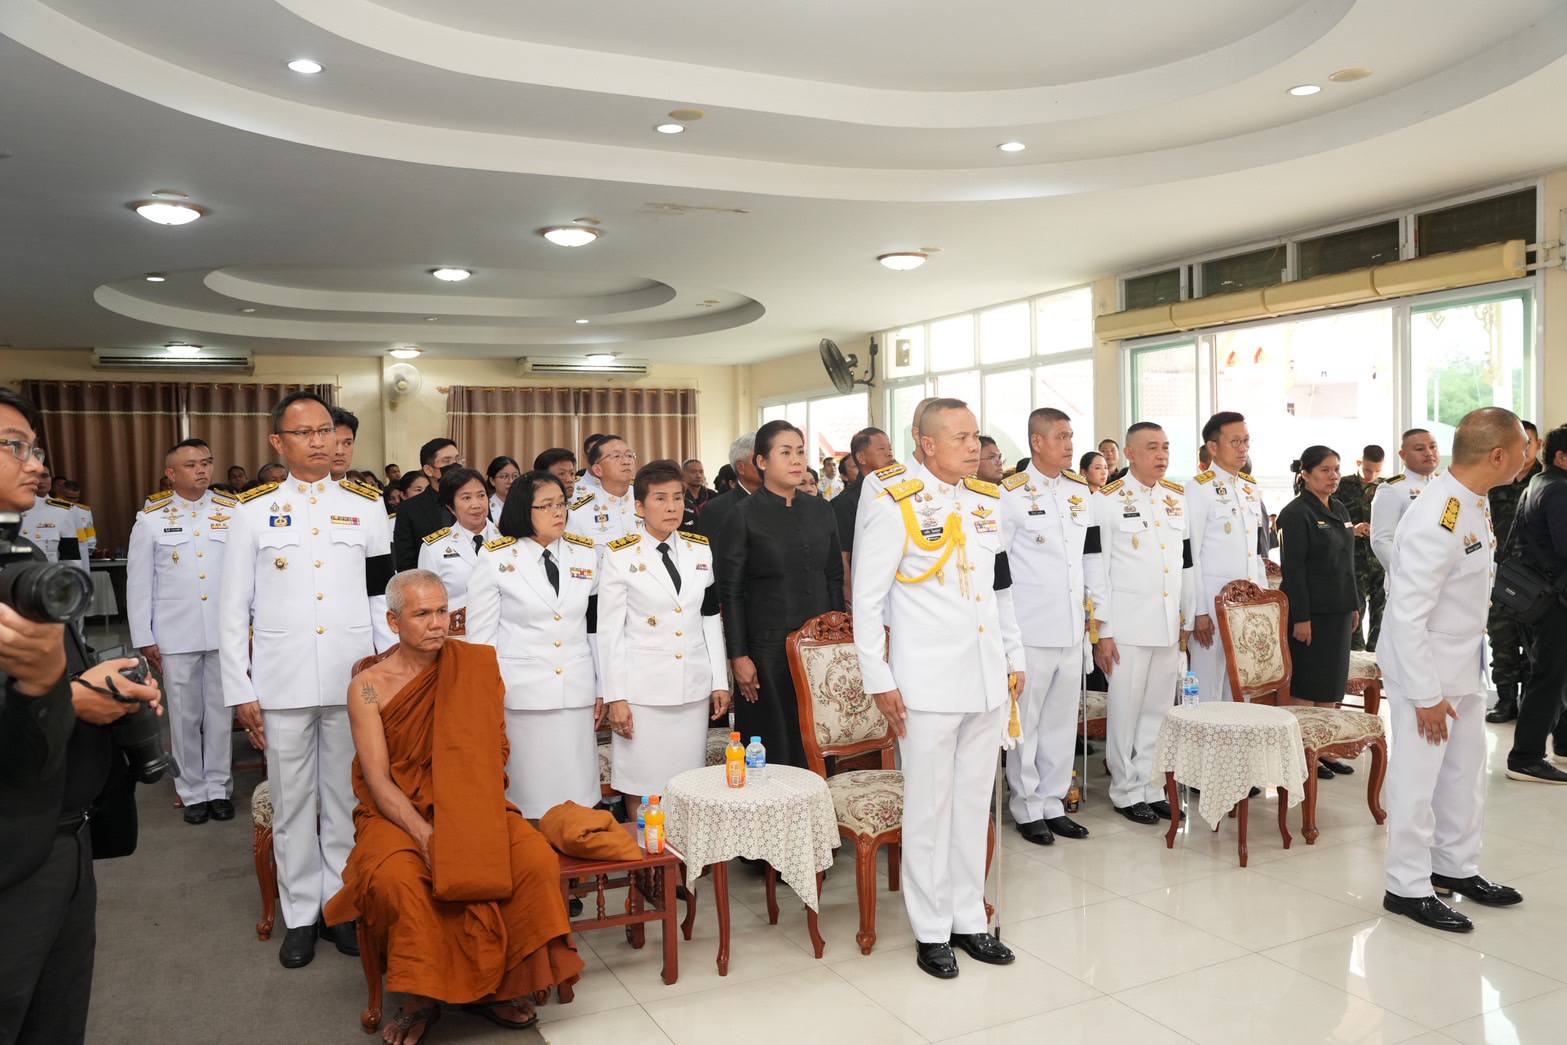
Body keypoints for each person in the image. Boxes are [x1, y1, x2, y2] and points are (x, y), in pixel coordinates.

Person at [325, 571, 584, 1042]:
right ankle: (420, 999)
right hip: (397, 814)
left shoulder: (475, 666)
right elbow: (378, 780)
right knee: (399, 880)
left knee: (532, 860)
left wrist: (466, 817)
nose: (437, 623)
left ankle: (501, 987)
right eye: (422, 613)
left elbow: (493, 751)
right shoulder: (369, 686)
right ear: (393, 621)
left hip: (471, 800)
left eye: (443, 611)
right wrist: (425, 834)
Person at [0, 389, 165, 1045]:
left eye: (35, 448)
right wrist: (70, 697)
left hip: (63, 834)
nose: (36, 464)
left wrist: (96, 685)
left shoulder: (21, 556)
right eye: (14, 446)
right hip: (12, 850)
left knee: (57, 1017)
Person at [219, 390, 394, 968]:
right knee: (293, 803)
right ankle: (299, 914)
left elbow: (379, 597)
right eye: (304, 433)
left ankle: (339, 908)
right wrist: (241, 689)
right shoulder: (250, 511)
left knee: (346, 798)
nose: (320, 442)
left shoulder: (366, 507)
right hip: (282, 679)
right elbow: (232, 608)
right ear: (279, 441)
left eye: (326, 431)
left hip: (351, 678)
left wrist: (386, 671)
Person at [852, 398, 1023, 979]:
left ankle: (968, 918)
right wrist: (879, 677)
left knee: (974, 806)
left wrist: (1014, 658)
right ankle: (931, 929)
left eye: (976, 435)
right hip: (925, 683)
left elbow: (1000, 590)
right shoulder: (893, 498)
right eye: (960, 438)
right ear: (927, 445)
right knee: (929, 808)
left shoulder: (986, 500)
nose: (975, 447)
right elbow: (867, 599)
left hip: (985, 677)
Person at [1380, 408, 1529, 932]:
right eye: (1522, 447)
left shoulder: (1470, 500)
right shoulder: (1436, 515)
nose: (1528, 455)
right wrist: (1425, 695)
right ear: (1498, 455)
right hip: (1425, 671)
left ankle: (1455, 866)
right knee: (1417, 782)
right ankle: (1406, 885)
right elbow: (1406, 615)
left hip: (1462, 663)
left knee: (1464, 777)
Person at [599, 461, 730, 824]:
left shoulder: (699, 549)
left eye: (677, 498)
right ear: (640, 507)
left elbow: (709, 617)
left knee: (686, 785)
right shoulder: (620, 554)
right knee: (642, 785)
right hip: (643, 693)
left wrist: (719, 681)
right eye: (660, 499)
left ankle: (682, 857)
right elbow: (609, 632)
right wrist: (615, 696)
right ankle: (646, 856)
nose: (672, 507)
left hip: (691, 689)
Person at [466, 471, 601, 817]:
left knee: (579, 796)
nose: (558, 512)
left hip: (576, 690)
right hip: (523, 695)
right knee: (531, 800)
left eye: (562, 504)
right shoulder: (496, 558)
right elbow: (481, 641)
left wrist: (603, 686)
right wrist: (485, 697)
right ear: (524, 510)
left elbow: (594, 629)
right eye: (546, 506)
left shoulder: (585, 554)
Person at [1083, 423, 1196, 825]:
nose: (1161, 455)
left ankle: (1150, 785)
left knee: (1158, 711)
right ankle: (1125, 790)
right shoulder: (1107, 501)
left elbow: (1185, 563)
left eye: (1165, 447)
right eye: (1152, 448)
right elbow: (1096, 568)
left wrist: (1187, 614)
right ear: (1130, 453)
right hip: (1127, 627)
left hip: (1167, 624)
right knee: (1126, 711)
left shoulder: (1176, 499)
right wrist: (1103, 631)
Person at [717, 421, 843, 768]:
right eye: (785, 453)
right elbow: (731, 592)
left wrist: (838, 639)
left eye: (800, 452)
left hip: (818, 646)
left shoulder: (821, 510)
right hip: (767, 650)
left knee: (818, 740)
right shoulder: (742, 516)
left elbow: (834, 576)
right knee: (774, 743)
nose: (796, 460)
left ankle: (819, 802)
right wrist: (739, 656)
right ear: (761, 461)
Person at [126, 437, 237, 824]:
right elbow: (139, 584)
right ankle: (192, 791)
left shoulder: (232, 512)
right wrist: (145, 637)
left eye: (206, 462)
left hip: (224, 632)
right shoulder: (151, 519)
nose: (201, 470)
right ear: (171, 474)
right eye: (191, 465)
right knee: (184, 716)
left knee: (221, 714)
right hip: (176, 633)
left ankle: (219, 788)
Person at [999, 407, 1092, 846]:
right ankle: (1027, 806)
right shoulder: (1011, 494)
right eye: (1060, 436)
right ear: (1037, 442)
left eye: (1071, 436)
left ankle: (1054, 802)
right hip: (1031, 628)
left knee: (1060, 722)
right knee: (1028, 723)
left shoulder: (1078, 490)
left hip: (1071, 626)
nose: (1069, 445)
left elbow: (1082, 562)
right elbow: (999, 569)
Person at [1277, 448, 1361, 777]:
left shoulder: (1338, 508)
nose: (1333, 476)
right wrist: (1301, 617)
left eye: (1336, 469)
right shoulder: (1296, 513)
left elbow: (1347, 562)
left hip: (1339, 610)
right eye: (1325, 470)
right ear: (1305, 474)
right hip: (1311, 614)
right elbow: (1293, 570)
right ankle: (1302, 753)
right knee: (1307, 683)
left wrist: (1354, 604)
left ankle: (1325, 750)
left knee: (1331, 683)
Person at [1186, 412, 1269, 704]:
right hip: (1211, 603)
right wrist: (1198, 611)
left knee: (1241, 688)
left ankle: (1237, 737)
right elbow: (1191, 555)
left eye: (1246, 441)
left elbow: (1253, 552)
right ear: (1213, 446)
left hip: (1245, 605)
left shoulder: (1249, 487)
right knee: (1208, 687)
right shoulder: (1198, 489)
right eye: (1235, 442)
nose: (1243, 448)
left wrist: (1261, 600)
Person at [1504, 423, 1567, 782]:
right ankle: (1525, 757)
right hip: (1554, 600)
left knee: (1558, 675)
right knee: (1549, 677)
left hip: (1541, 598)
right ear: (1561, 457)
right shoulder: (1558, 490)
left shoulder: (1540, 483)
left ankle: (1564, 744)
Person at [1485, 421, 1542, 724]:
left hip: (1537, 580)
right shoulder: (1496, 481)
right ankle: (1505, 701)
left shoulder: (1548, 481)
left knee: (1536, 645)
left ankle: (1532, 704)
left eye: (1529, 443)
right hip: (1500, 576)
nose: (1525, 449)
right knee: (1501, 640)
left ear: (1539, 445)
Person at [417, 467, 499, 636]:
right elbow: (426, 603)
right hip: (458, 638)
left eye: (481, 495)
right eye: (466, 498)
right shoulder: (434, 548)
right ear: (450, 507)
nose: (476, 504)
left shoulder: (508, 540)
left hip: (503, 636)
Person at [1370, 428, 1442, 573]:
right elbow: (1381, 540)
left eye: (1433, 447)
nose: (1429, 453)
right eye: (1420, 449)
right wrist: (1408, 574)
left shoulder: (1444, 485)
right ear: (1403, 455)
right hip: (1413, 577)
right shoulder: (1392, 488)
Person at [1336, 444, 1385, 651]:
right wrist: (1352, 529)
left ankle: (1378, 656)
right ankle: (1354, 657)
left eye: (1377, 471)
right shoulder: (1341, 485)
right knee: (1355, 612)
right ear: (1359, 463)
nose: (1371, 475)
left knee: (1381, 613)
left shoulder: (1386, 488)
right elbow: (1329, 520)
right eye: (1367, 470)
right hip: (1353, 560)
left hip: (1380, 560)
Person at [831, 427, 893, 577]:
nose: (889, 454)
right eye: (881, 449)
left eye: (890, 449)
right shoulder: (844, 502)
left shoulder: (897, 491)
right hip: (866, 577)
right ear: (861, 458)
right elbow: (843, 555)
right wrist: (849, 588)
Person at [392, 438, 462, 571]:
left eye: (457, 460)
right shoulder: (409, 509)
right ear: (429, 470)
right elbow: (406, 563)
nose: (455, 466)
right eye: (447, 461)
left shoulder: (476, 501)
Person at [567, 435, 638, 545]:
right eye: (616, 456)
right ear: (598, 470)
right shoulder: (580, 513)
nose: (626, 461)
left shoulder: (648, 500)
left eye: (629, 455)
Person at [696, 433, 759, 557]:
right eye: (759, 460)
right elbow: (709, 558)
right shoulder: (717, 509)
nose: (766, 464)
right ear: (741, 467)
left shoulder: (784, 501)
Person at [18, 464, 83, 565]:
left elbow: (70, 556)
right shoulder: (7, 507)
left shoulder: (61, 510)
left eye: (44, 476)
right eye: (33, 475)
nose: (40, 481)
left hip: (47, 573)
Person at [485, 456, 521, 523]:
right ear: (492, 481)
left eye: (515, 476)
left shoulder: (525, 505)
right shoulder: (485, 509)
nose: (511, 481)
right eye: (504, 476)